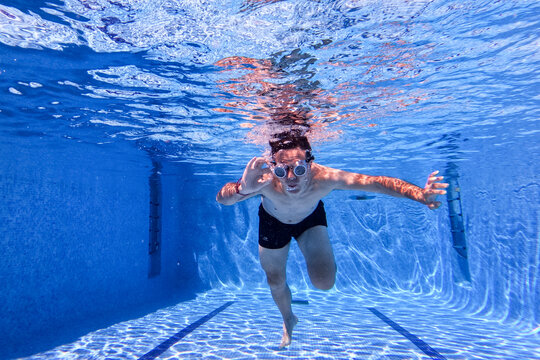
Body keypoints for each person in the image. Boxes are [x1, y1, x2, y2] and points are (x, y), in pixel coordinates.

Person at [216, 132, 448, 349]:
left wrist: (419, 194)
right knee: (275, 281)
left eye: (298, 169)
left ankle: (320, 263)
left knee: (324, 282)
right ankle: (288, 319)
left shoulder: (325, 177)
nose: (289, 179)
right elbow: (223, 199)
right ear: (273, 165)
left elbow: (375, 182)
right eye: (282, 170)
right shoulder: (263, 179)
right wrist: (241, 189)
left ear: (309, 162)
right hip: (273, 221)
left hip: (310, 219)